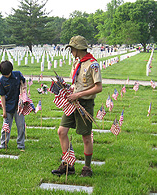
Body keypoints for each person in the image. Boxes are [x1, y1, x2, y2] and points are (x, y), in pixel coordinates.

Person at [52, 35, 102, 177]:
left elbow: (98, 87)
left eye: (72, 48)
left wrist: (78, 95)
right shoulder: (76, 63)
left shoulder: (93, 64)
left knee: (86, 137)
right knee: (62, 131)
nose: (71, 51)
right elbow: (76, 83)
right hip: (72, 102)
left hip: (84, 103)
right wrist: (66, 87)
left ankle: (87, 167)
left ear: (78, 48)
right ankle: (68, 164)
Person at [0, 60, 26, 151]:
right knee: (6, 126)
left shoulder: (17, 74)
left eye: (8, 74)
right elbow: (2, 96)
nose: (7, 76)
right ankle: (3, 143)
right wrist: (4, 111)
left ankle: (20, 144)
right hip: (8, 106)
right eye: (4, 75)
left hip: (18, 106)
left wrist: (23, 90)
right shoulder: (1, 81)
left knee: (21, 126)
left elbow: (23, 82)